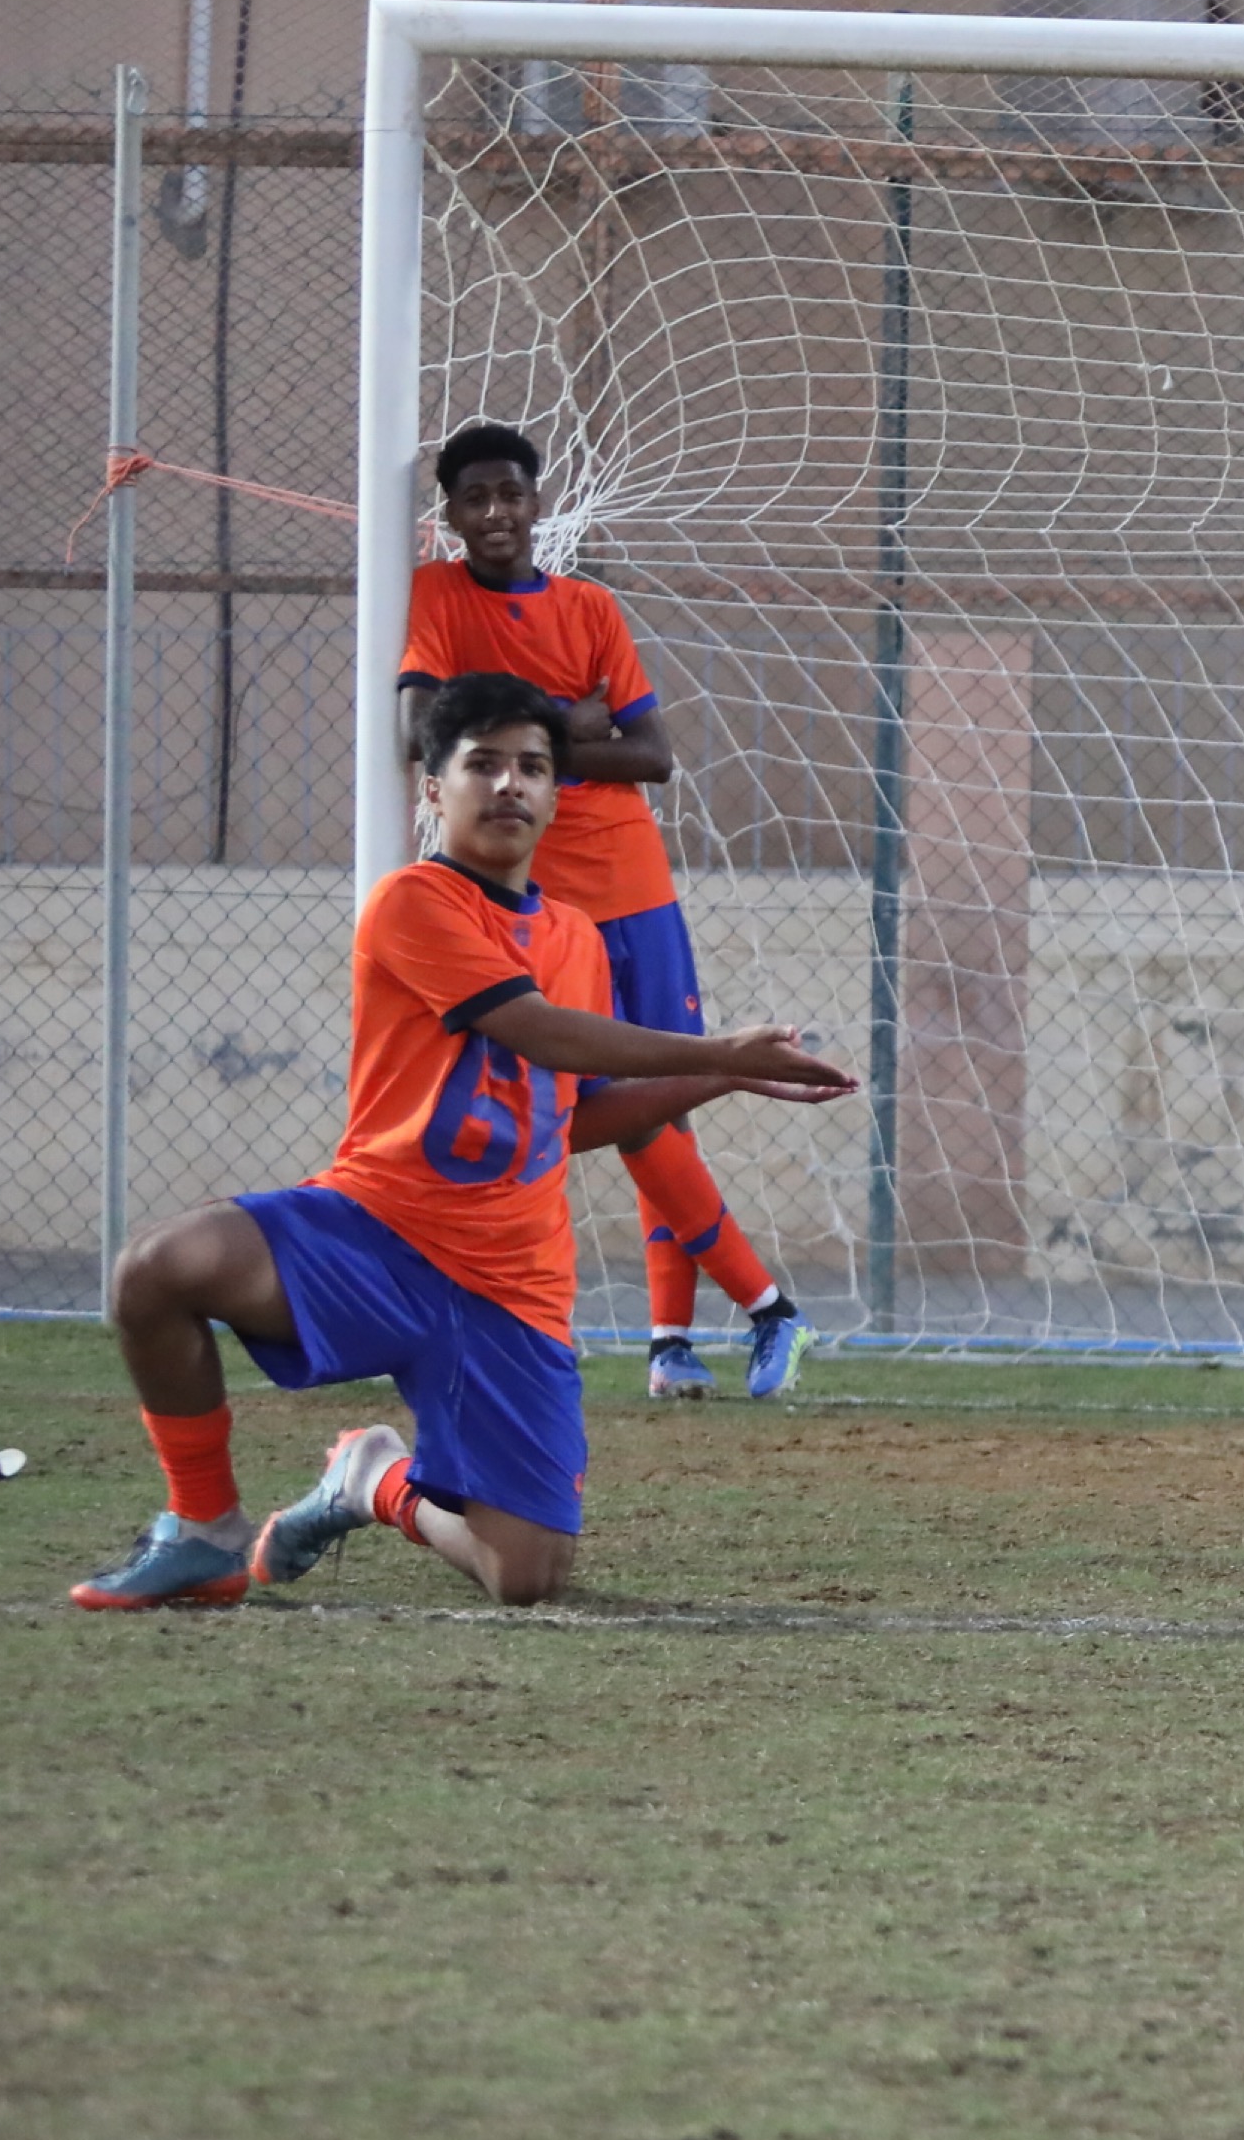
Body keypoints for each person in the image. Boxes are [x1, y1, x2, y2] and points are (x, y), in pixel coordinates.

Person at [71, 674, 858, 1612]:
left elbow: (572, 1117)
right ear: (432, 789)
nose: (510, 786)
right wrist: (714, 1046)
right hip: (374, 1234)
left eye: (533, 767)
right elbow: (533, 1029)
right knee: (156, 1270)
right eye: (482, 764)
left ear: (557, 795)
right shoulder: (414, 902)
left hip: (510, 1286)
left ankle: (371, 1480)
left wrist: (725, 1077)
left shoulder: (576, 937)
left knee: (525, 1577)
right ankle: (203, 1530)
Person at [402, 420, 810, 1401]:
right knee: (601, 1108)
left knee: (658, 1099)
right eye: (475, 498)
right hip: (533, 899)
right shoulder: (432, 598)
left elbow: (653, 754)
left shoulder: (590, 607)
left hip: (631, 886)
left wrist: (519, 731)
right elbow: (426, 731)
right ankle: (769, 1309)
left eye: (511, 493)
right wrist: (562, 718)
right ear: (451, 515)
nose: (496, 512)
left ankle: (673, 1342)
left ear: (538, 503)